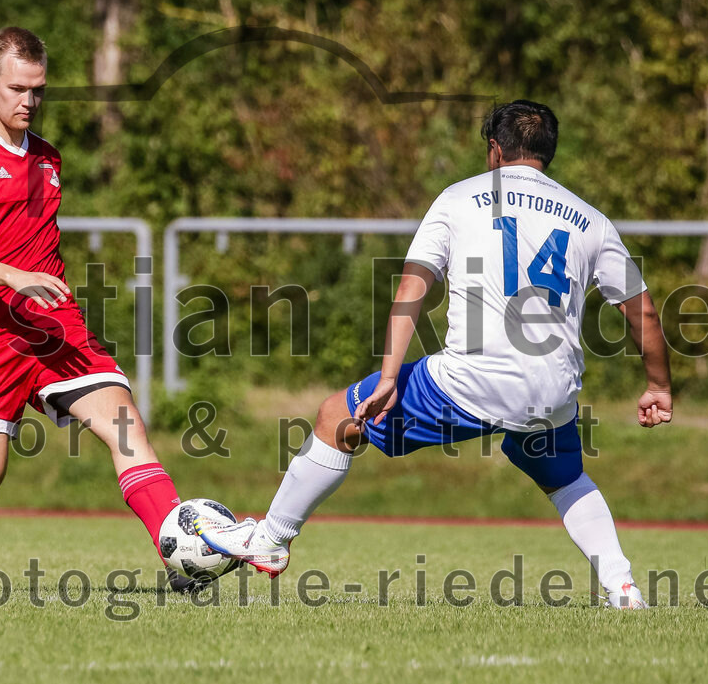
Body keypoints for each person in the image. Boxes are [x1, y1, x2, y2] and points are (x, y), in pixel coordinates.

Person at [196, 100, 672, 609]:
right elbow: (642, 314)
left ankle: (271, 538)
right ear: (547, 153)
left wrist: (387, 377)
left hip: (470, 380)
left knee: (338, 415)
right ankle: (623, 589)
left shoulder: (458, 199)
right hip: (552, 390)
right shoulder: (590, 220)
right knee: (566, 477)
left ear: (494, 148)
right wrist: (659, 386)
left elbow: (412, 286)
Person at [0, 27, 194, 592]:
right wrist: (13, 275)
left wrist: (38, 289)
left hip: (52, 330)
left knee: (127, 428)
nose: (29, 101)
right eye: (18, 89)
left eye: (39, 90)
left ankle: (182, 556)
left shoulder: (48, 159)